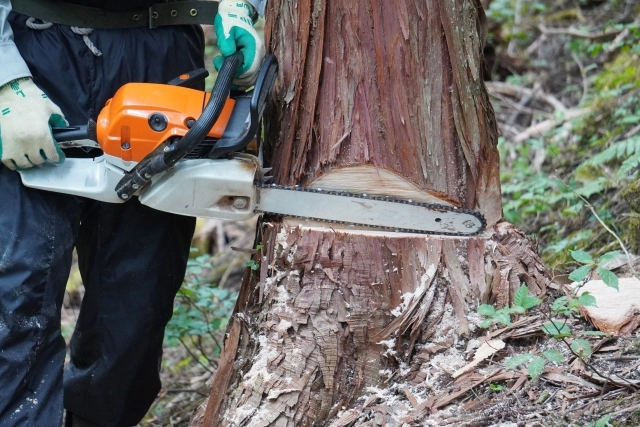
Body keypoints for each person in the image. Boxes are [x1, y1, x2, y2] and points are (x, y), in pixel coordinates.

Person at [0, 0, 266, 425]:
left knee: (137, 303)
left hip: (162, 54)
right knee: (16, 289)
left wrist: (244, 6)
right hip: (33, 54)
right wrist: (5, 80)